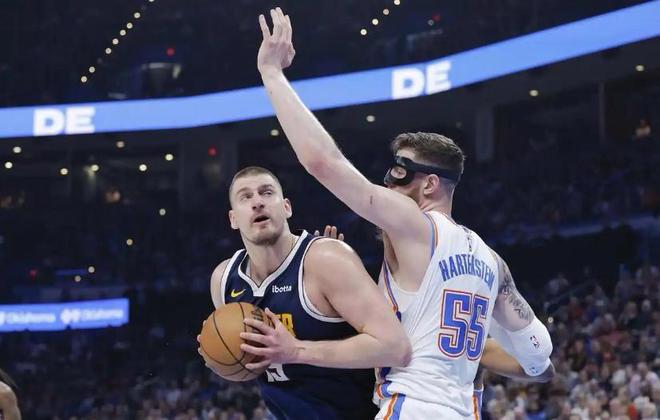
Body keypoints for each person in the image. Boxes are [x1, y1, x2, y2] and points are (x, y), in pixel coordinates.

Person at [253, 8, 554, 418]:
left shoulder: (415, 224)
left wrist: (272, 74)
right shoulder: (492, 263)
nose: (388, 184)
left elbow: (324, 163)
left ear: (429, 185)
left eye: (399, 173)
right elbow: (540, 361)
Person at [200, 166, 411, 420]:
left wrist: (296, 350)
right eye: (245, 197)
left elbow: (396, 348)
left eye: (266, 193)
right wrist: (218, 355)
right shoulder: (224, 280)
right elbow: (248, 363)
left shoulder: (325, 260)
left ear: (287, 207)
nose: (257, 202)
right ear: (233, 219)